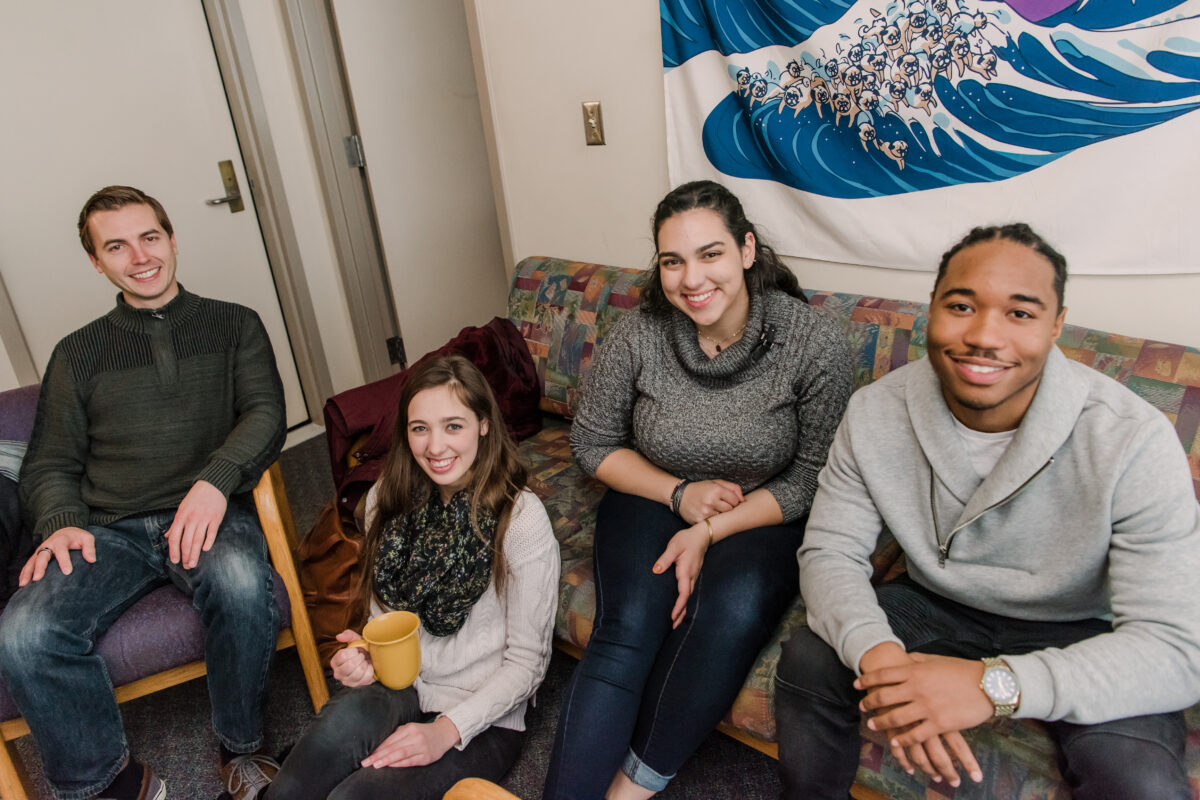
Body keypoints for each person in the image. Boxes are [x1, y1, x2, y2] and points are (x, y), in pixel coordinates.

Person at [774, 223, 1200, 799]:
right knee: (811, 656)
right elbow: (830, 550)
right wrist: (881, 661)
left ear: (1056, 325)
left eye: (1019, 314)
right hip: (935, 604)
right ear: (932, 308)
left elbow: (1175, 650)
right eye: (961, 305)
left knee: (1140, 779)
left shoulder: (1132, 438)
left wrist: (994, 684)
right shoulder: (875, 411)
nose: (983, 335)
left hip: (1081, 627)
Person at [544, 180, 854, 799]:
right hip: (653, 494)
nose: (691, 278)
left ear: (746, 250)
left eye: (709, 254)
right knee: (627, 626)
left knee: (728, 611)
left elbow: (814, 478)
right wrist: (679, 495)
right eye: (672, 261)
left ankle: (629, 791)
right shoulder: (638, 334)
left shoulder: (813, 342)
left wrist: (709, 530)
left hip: (761, 514)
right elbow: (593, 443)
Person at [0, 185, 286, 800]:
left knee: (238, 579)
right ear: (96, 262)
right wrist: (60, 521)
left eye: (149, 237)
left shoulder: (236, 324)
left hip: (206, 514)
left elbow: (265, 413)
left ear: (173, 239)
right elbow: (48, 459)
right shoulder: (77, 354)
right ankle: (110, 784)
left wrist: (214, 483)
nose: (140, 257)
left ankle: (240, 748)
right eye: (117, 246)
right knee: (24, 631)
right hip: (110, 529)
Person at [265, 355, 559, 800]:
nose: (435, 447)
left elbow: (527, 665)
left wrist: (444, 732)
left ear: (483, 424)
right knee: (291, 786)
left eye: (453, 426)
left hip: (480, 715)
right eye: (420, 428)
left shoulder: (521, 520)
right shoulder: (387, 497)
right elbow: (383, 618)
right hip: (401, 685)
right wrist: (364, 655)